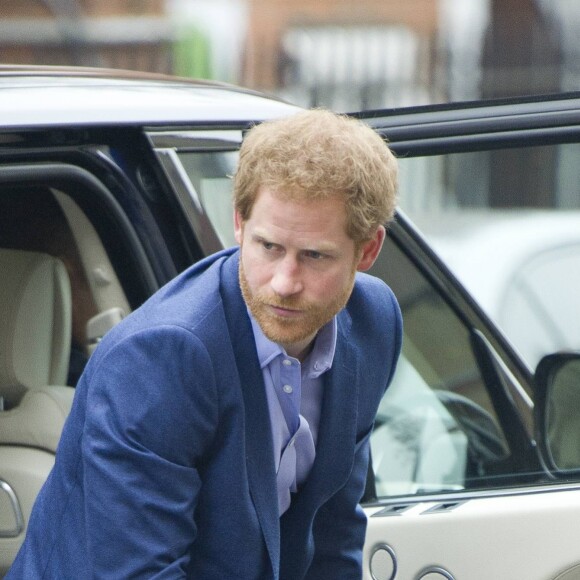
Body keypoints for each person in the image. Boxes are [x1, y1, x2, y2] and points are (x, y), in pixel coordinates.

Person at [7, 109, 402, 579]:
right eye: (268, 247)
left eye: (314, 256)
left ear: (369, 251)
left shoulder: (373, 322)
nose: (284, 282)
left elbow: (333, 535)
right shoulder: (159, 359)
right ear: (238, 223)